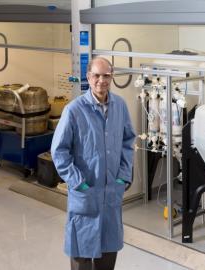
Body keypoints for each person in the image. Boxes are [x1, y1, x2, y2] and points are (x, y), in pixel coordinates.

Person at [51, 57, 136, 270]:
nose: (101, 80)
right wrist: (78, 183)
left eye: (106, 75)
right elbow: (59, 151)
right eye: (96, 75)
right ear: (88, 77)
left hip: (111, 195)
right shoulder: (74, 110)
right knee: (81, 260)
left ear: (112, 77)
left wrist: (123, 176)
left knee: (107, 258)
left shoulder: (120, 106)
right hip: (85, 196)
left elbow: (128, 141)